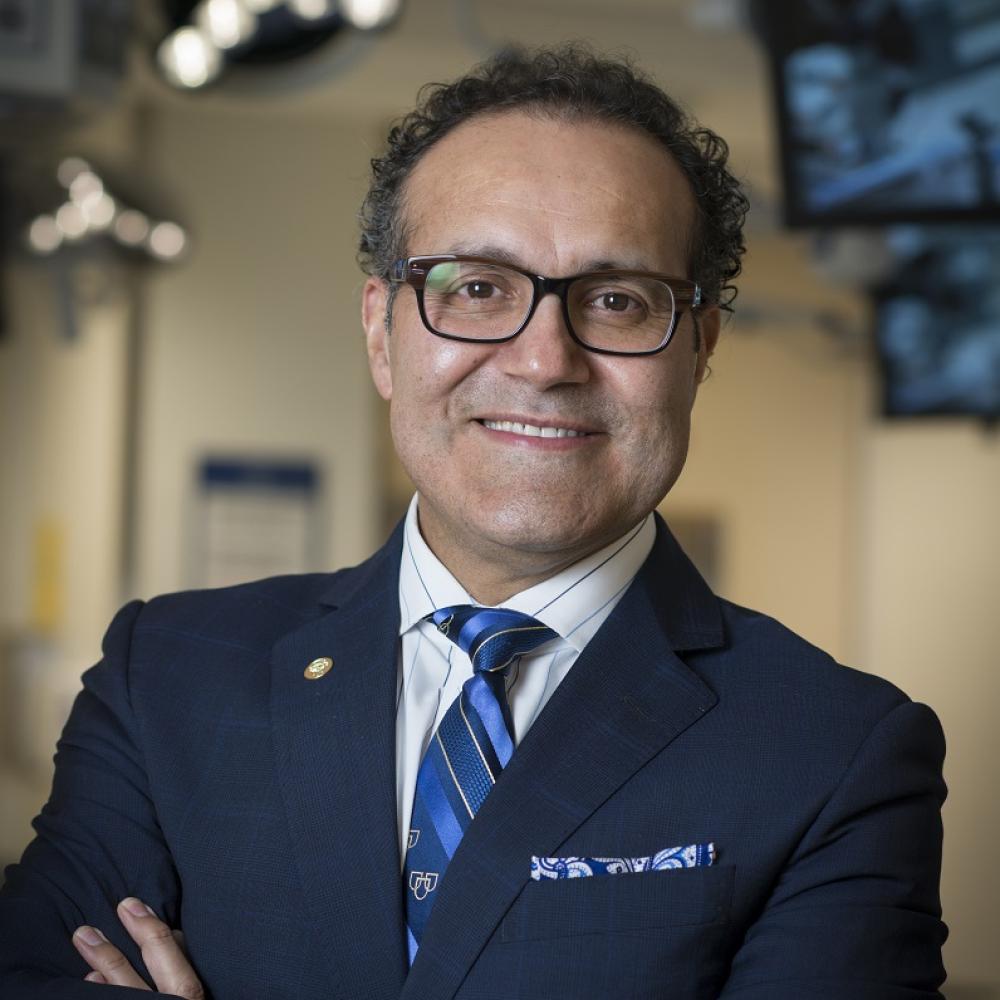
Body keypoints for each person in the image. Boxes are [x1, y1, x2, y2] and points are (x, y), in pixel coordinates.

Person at [0, 45, 947, 999]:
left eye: (616, 300)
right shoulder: (165, 675)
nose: (544, 361)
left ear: (698, 347)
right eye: (478, 287)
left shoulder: (837, 751)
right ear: (382, 333)